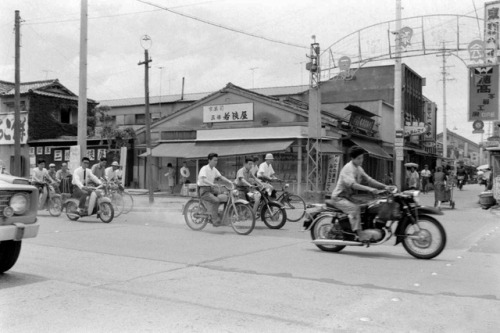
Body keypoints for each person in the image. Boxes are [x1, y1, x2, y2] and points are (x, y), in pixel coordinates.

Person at [329, 146, 391, 242]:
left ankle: (366, 227)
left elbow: (369, 180)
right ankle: (360, 235)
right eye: (359, 158)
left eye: (362, 157)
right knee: (355, 209)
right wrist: (370, 189)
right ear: (352, 158)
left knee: (370, 204)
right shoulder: (348, 168)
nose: (361, 160)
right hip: (339, 197)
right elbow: (353, 185)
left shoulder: (358, 168)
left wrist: (385, 186)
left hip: (349, 197)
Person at [197, 153, 234, 226]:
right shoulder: (204, 168)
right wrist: (212, 184)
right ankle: (215, 220)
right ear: (209, 160)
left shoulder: (214, 169)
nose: (216, 162)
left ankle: (224, 217)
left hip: (211, 188)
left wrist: (229, 181)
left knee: (227, 197)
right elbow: (203, 179)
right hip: (204, 190)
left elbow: (220, 177)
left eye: (217, 160)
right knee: (216, 200)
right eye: (214, 160)